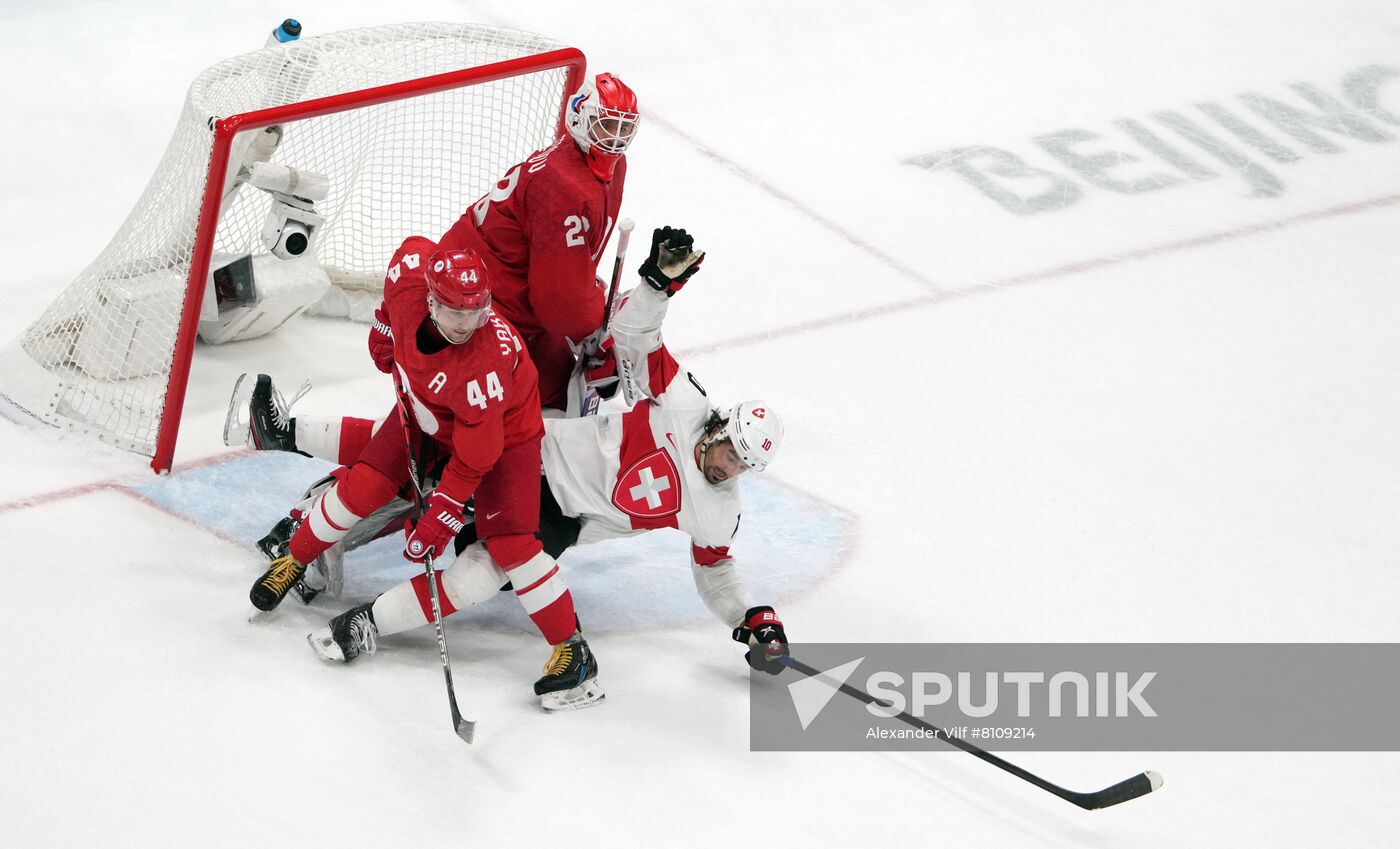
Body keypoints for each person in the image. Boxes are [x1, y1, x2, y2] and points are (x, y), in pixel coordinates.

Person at [237, 227, 791, 704]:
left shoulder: (718, 510)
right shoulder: (683, 403)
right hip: (541, 445)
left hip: (557, 507)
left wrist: (750, 616)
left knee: (474, 555)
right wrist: (655, 287)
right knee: (417, 459)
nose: (730, 469)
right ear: (719, 428)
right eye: (731, 452)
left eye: (744, 466)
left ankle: (368, 619)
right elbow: (635, 334)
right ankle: (303, 481)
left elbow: (716, 571)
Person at [234, 235, 598, 707]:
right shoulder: (409, 276)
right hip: (427, 409)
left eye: (477, 312)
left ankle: (573, 652)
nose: (467, 323)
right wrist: (386, 325)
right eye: (454, 313)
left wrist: (439, 517)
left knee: (512, 544)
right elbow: (416, 248)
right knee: (365, 485)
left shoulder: (485, 369)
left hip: (504, 439)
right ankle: (295, 557)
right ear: (429, 299)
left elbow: (474, 461)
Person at [418, 71, 639, 413]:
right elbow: (560, 301)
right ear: (579, 119)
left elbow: (569, 267)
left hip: (513, 293)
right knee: (509, 411)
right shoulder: (561, 184)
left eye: (625, 128)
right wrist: (593, 328)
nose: (616, 138)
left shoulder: (608, 167)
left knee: (556, 393)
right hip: (476, 298)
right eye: (607, 125)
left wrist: (589, 305)